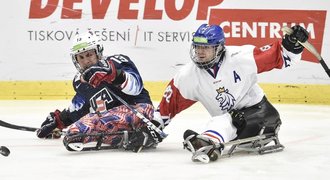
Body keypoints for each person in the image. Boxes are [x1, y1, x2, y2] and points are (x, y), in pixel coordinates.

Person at [153, 24, 309, 160]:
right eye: (198, 46)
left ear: (219, 47)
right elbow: (167, 107)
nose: (200, 52)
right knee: (223, 120)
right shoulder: (188, 76)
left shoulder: (241, 57)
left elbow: (281, 56)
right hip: (233, 123)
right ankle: (208, 144)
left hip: (263, 117)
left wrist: (291, 44)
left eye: (206, 47)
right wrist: (153, 126)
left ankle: (209, 143)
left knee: (223, 120)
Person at [36, 31, 159, 152]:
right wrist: (58, 121)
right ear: (75, 60)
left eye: (89, 55)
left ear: (98, 52)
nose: (86, 61)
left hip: (139, 111)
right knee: (86, 123)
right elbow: (79, 107)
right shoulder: (80, 82)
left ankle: (141, 132)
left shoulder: (117, 62)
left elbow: (136, 86)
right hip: (111, 121)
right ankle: (130, 136)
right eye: (81, 57)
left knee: (80, 128)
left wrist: (112, 74)